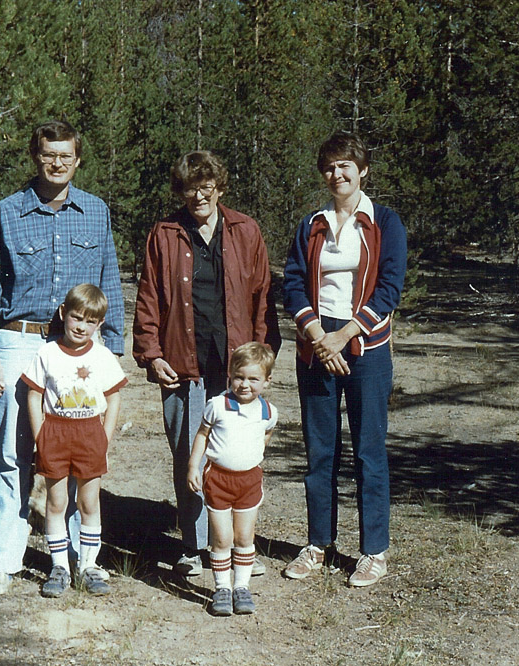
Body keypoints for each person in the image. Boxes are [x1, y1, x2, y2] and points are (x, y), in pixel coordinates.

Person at [0, 120, 125, 596]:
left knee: (81, 450)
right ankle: (3, 560)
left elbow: (110, 279)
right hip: (19, 341)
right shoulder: (7, 212)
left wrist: (111, 348)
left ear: (78, 160)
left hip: (78, 346)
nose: (57, 163)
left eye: (66, 155)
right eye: (48, 154)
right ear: (35, 157)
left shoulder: (95, 212)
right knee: (12, 453)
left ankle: (83, 561)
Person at [133, 150, 280, 577]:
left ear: (219, 186)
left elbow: (262, 295)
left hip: (235, 363)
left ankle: (239, 545)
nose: (197, 195)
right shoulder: (164, 233)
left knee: (239, 450)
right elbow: (148, 297)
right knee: (189, 453)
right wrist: (151, 352)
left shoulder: (244, 230)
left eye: (205, 186)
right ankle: (196, 546)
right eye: (188, 188)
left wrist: (262, 353)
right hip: (182, 360)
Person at [281, 131, 406, 587]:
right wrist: (318, 336)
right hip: (316, 347)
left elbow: (389, 287)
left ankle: (374, 551)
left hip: (367, 349)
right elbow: (292, 283)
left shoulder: (385, 223)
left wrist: (346, 335)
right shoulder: (311, 224)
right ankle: (319, 544)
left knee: (369, 452)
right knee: (320, 452)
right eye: (330, 167)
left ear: (363, 169)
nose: (338, 174)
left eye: (346, 165)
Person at [22, 284, 128, 597]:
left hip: (89, 433)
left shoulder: (103, 356)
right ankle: (59, 567)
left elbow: (114, 397)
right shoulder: (47, 353)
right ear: (63, 314)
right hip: (55, 431)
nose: (81, 326)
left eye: (90, 321)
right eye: (76, 317)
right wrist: (41, 435)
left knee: (88, 502)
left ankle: (87, 566)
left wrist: (105, 436)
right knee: (56, 503)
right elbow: (33, 394)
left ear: (99, 324)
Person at [187, 342, 277, 615]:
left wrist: (252, 456)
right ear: (230, 376)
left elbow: (265, 434)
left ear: (266, 381)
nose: (245, 385)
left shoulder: (268, 411)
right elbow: (202, 434)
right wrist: (193, 465)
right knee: (223, 538)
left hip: (249, 481)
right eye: (239, 377)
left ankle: (241, 587)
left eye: (253, 379)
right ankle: (222, 589)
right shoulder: (217, 405)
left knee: (244, 536)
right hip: (219, 480)